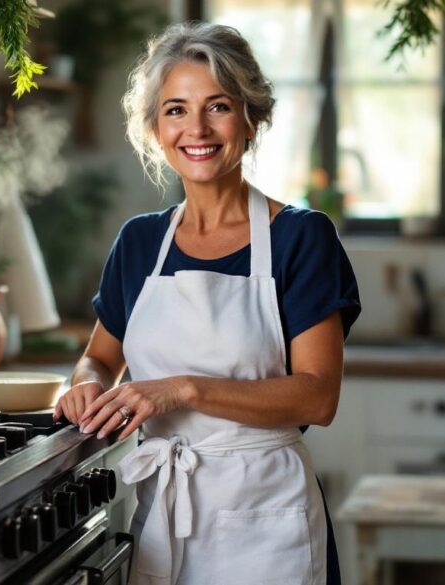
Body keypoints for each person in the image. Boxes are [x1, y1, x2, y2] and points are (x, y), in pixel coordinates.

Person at [52, 21, 361, 585]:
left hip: (269, 521)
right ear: (155, 128)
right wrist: (84, 384)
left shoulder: (301, 237)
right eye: (175, 109)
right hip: (162, 515)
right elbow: (97, 358)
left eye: (217, 106)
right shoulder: (140, 242)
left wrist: (184, 388)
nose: (196, 128)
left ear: (251, 118)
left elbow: (318, 397)